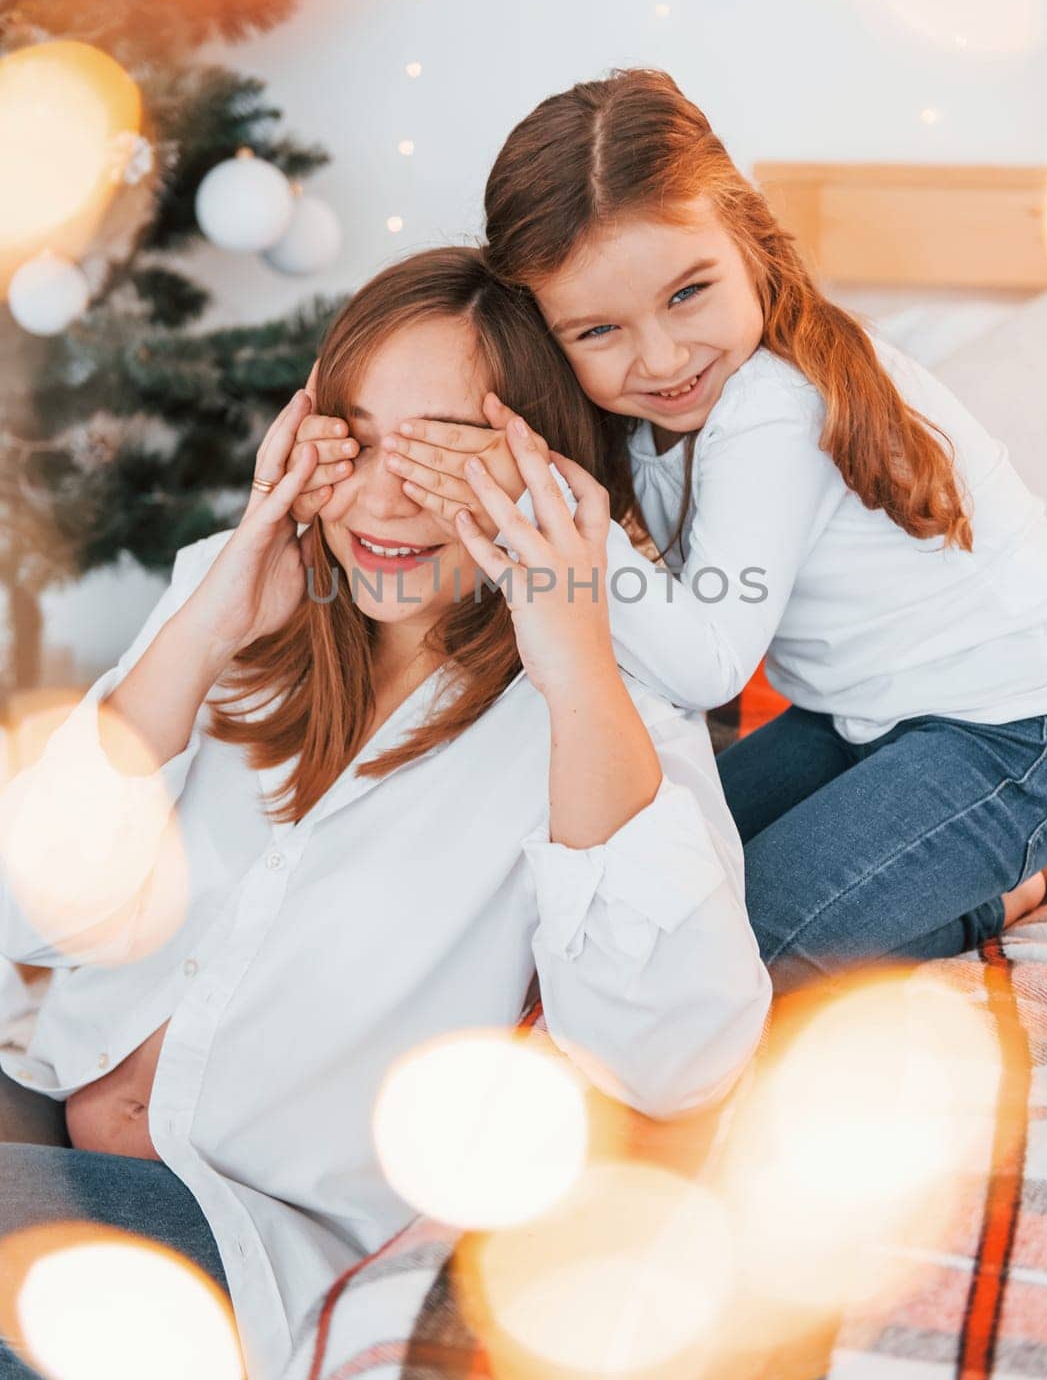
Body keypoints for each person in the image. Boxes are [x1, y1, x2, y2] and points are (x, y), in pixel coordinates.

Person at [0, 247, 770, 1380]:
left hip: (239, 1242)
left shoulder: (600, 722)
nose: (380, 496)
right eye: (353, 439)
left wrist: (569, 652)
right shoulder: (232, 600)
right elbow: (30, 914)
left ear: (543, 470)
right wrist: (212, 621)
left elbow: (675, 1061)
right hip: (35, 1108)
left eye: (443, 454)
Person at [297, 69, 1047, 990]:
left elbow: (705, 666)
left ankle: (998, 893)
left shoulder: (770, 407)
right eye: (596, 333)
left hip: (1015, 726)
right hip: (858, 714)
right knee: (662, 891)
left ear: (744, 241)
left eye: (687, 294)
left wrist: (558, 508)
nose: (660, 360)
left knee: (722, 965)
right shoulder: (648, 415)